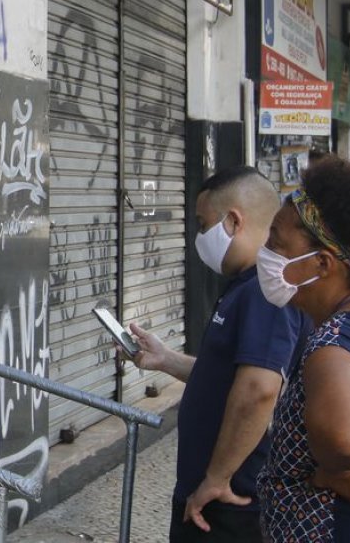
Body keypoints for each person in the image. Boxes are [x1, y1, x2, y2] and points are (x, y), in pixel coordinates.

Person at [127, 165, 306, 541]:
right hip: (214, 495)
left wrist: (216, 478)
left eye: (202, 223)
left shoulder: (263, 291)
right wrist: (166, 359)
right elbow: (231, 375)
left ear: (233, 221)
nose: (198, 235)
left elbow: (259, 389)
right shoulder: (243, 286)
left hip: (230, 500)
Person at [256, 158, 350, 540]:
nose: (266, 252)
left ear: (322, 264)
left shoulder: (335, 345)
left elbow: (347, 439)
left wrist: (333, 472)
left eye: (276, 242)